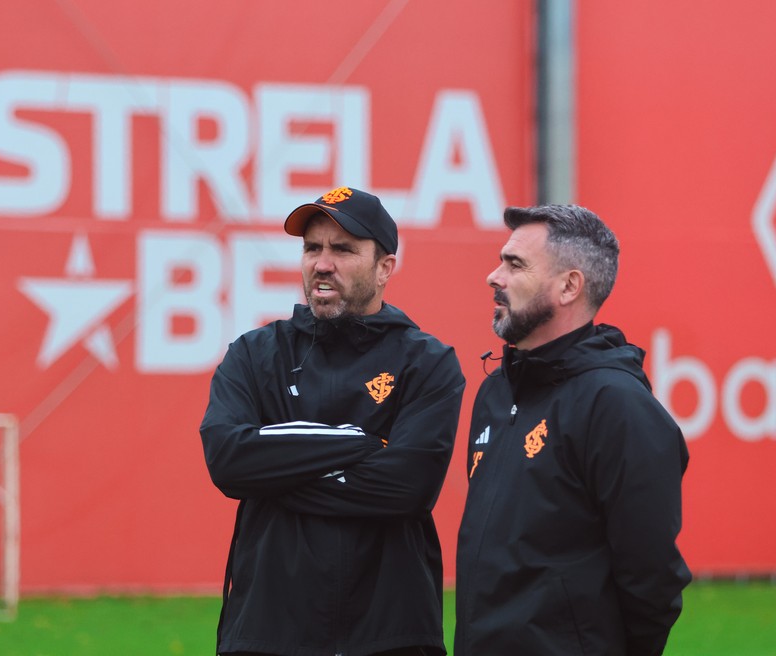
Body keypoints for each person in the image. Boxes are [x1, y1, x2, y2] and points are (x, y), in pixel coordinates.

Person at [200, 186, 466, 656]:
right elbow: (229, 460)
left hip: (391, 635)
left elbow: (408, 486)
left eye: (342, 249)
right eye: (312, 248)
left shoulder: (427, 362)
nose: (322, 264)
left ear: (384, 268)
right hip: (267, 632)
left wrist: (277, 473)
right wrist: (362, 444)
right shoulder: (254, 355)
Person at [454, 204, 691, 656]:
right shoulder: (496, 391)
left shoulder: (617, 405)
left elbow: (652, 579)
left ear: (569, 286)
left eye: (515, 264)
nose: (493, 277)